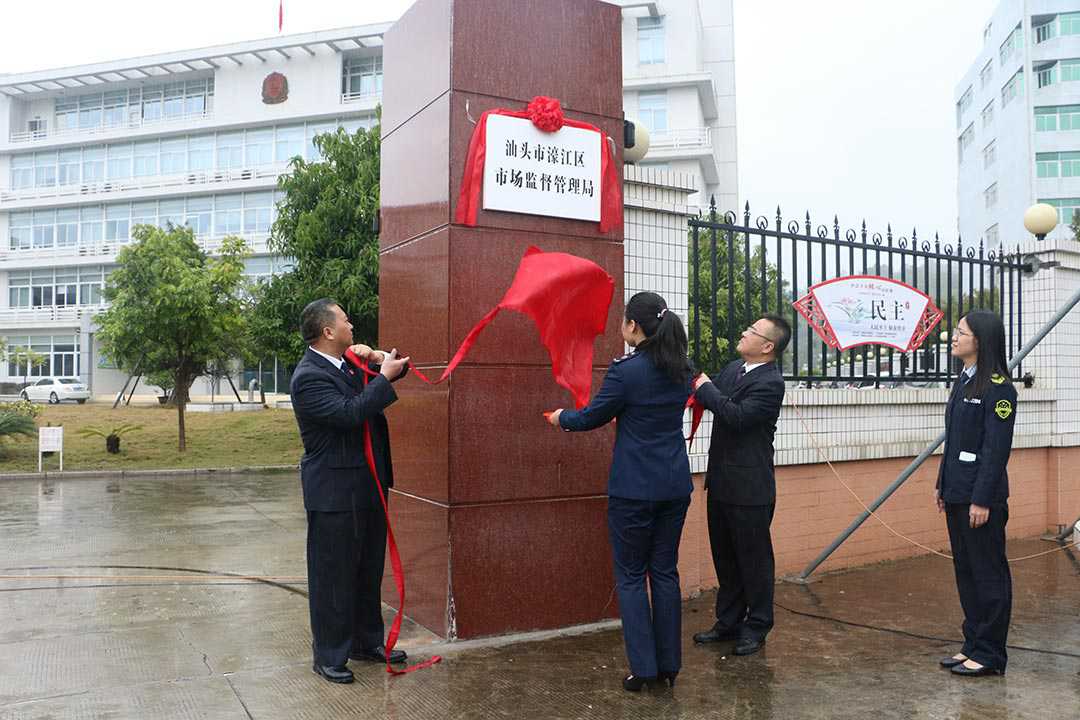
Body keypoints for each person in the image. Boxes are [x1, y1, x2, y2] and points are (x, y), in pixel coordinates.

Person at [547, 292, 693, 691]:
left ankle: (643, 669)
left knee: (630, 577)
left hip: (633, 490)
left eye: (622, 320)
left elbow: (595, 415)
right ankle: (668, 667)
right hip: (675, 485)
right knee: (664, 572)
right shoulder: (683, 368)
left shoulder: (626, 371)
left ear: (633, 326)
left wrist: (563, 419)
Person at [290, 298, 410, 684]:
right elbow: (348, 414)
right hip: (334, 491)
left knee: (366, 569)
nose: (351, 324)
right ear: (328, 331)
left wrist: (378, 360)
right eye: (344, 319)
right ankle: (329, 655)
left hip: (368, 486)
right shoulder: (308, 376)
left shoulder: (347, 364)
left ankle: (366, 641)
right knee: (333, 576)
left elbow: (393, 372)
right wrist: (384, 378)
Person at [691, 315, 790, 656]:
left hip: (750, 487)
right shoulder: (735, 367)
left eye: (751, 331)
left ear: (767, 346)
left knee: (754, 560)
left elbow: (736, 416)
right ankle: (729, 622)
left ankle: (757, 625)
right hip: (720, 481)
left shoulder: (771, 383)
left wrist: (706, 388)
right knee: (726, 557)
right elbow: (708, 394)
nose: (743, 332)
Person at [936, 310, 1017, 677]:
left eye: (961, 332)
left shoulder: (999, 388)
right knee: (965, 572)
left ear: (980, 341)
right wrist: (943, 484)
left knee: (988, 574)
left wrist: (981, 499)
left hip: (981, 498)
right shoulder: (963, 381)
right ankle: (972, 643)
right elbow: (954, 441)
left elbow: (995, 450)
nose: (953, 337)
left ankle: (989, 653)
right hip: (957, 491)